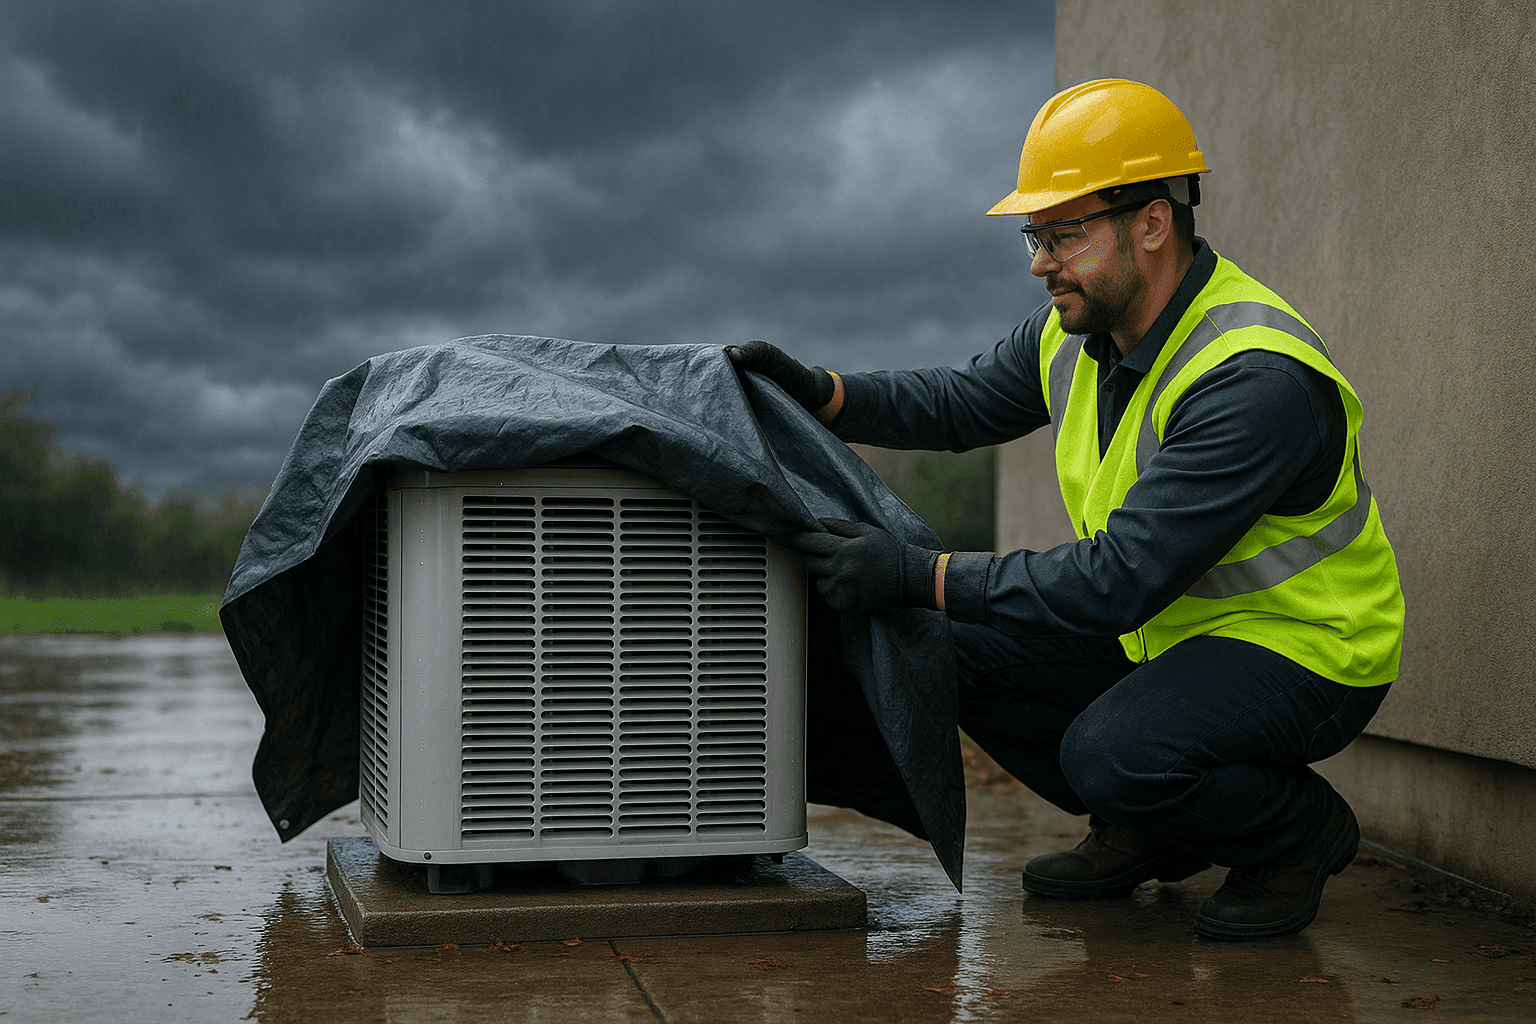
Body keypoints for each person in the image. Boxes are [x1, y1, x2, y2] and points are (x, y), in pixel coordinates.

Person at [727, 78, 1405, 941]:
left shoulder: (1253, 380)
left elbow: (1117, 581)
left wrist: (914, 573)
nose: (1041, 262)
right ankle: (1152, 830)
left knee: (1113, 750)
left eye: (1063, 233)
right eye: (1034, 237)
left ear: (1152, 223)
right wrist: (822, 393)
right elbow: (959, 401)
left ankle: (1297, 834)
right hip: (1173, 632)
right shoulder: (1079, 332)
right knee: (947, 641)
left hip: (1306, 649)